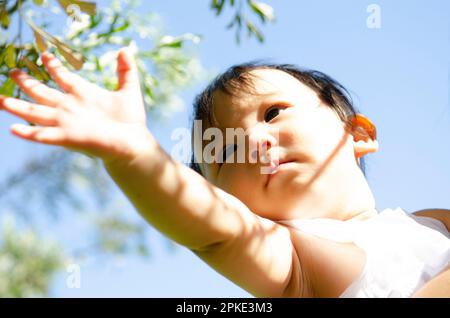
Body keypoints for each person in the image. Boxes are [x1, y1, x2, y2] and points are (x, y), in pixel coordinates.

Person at [0, 48, 448, 297]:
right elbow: (218, 231)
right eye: (227, 149)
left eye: (273, 113)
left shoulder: (434, 223)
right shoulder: (297, 260)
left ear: (359, 133)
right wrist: (133, 153)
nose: (254, 143)